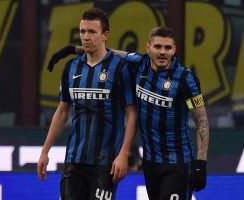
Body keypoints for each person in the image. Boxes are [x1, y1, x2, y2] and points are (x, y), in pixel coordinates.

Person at [47, 26, 210, 200]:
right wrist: (73, 50)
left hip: (177, 163)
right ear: (148, 48)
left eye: (168, 48)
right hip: (150, 162)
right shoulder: (139, 64)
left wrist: (200, 163)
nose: (163, 52)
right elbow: (109, 52)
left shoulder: (186, 79)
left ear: (174, 50)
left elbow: (201, 120)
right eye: (158, 47)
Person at [37, 8, 137, 200]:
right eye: (82, 31)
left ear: (104, 35)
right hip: (74, 160)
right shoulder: (71, 68)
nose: (86, 37)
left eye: (92, 32)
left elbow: (132, 113)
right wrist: (45, 151)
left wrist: (123, 154)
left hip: (105, 163)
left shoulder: (120, 69)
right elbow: (62, 112)